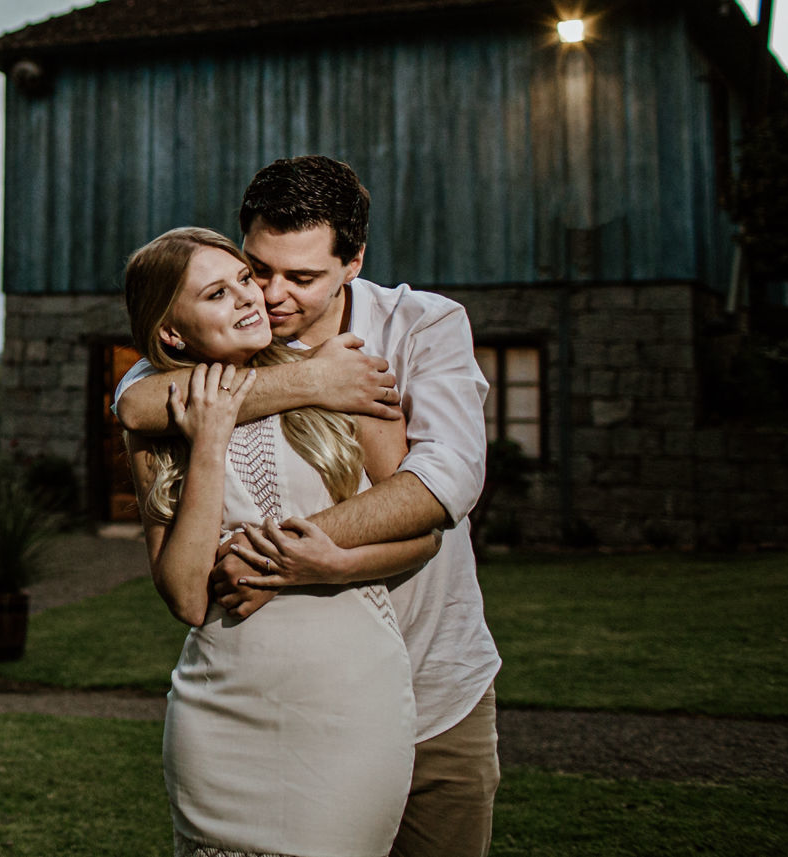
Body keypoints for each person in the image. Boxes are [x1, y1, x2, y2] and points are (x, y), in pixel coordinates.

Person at [117, 156, 501, 857]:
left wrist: (293, 557)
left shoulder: (423, 325)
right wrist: (316, 381)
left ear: (353, 262)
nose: (270, 295)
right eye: (257, 268)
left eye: (301, 277)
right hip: (259, 695)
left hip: (433, 674)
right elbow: (138, 402)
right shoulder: (226, 341)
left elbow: (442, 484)